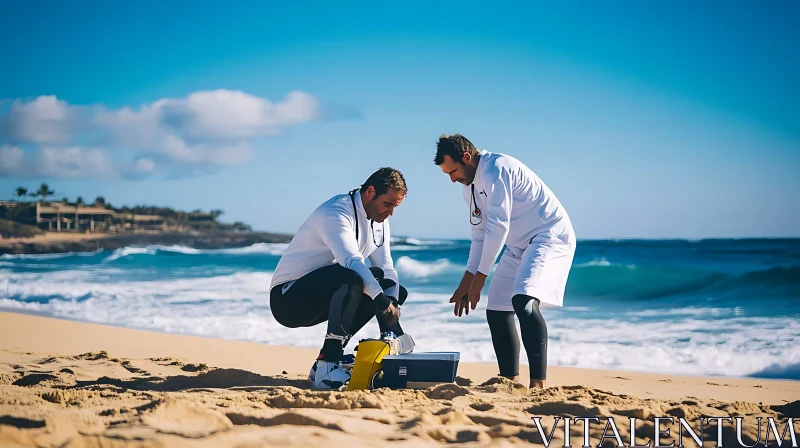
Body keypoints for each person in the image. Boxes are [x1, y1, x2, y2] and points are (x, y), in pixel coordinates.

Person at [433, 134, 576, 389]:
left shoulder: (497, 168)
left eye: (452, 171)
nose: (452, 179)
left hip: (548, 236)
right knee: (498, 308)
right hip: (518, 244)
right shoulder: (470, 187)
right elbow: (479, 234)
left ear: (466, 158)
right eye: (447, 174)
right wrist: (467, 280)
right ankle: (509, 381)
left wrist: (480, 277)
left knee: (523, 300)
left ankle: (538, 385)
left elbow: (498, 227)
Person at [269, 167, 414, 390]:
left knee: (390, 287)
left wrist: (391, 303)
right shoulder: (336, 212)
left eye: (396, 206)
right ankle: (327, 366)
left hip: (326, 295)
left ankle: (328, 359)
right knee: (354, 279)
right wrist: (380, 300)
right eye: (388, 204)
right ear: (370, 192)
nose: (391, 213)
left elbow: (386, 267)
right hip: (288, 299)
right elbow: (351, 261)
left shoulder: (379, 220)